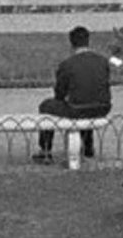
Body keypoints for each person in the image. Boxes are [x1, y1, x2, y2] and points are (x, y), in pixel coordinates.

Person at [33, 26, 112, 164]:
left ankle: (45, 150)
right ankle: (88, 148)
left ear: (71, 43)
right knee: (88, 102)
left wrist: (64, 97)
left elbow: (59, 94)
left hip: (77, 109)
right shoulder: (103, 61)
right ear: (88, 41)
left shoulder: (67, 64)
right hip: (103, 107)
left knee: (46, 106)